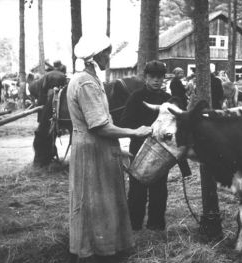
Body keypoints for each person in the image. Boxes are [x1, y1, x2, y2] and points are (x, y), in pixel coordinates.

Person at [66, 34, 152, 263]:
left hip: (100, 148)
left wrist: (118, 149)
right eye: (105, 52)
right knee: (94, 200)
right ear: (93, 56)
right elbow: (99, 126)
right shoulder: (85, 82)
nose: (108, 56)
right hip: (92, 149)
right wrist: (135, 132)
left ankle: (107, 248)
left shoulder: (93, 81)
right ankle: (93, 252)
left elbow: (103, 123)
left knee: (104, 199)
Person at [121, 60, 190, 231]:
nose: (156, 80)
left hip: (163, 150)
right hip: (139, 148)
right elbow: (124, 122)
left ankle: (156, 225)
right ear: (145, 77)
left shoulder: (169, 100)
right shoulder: (136, 97)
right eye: (152, 77)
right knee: (137, 188)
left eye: (160, 77)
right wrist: (139, 130)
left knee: (159, 188)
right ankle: (134, 225)